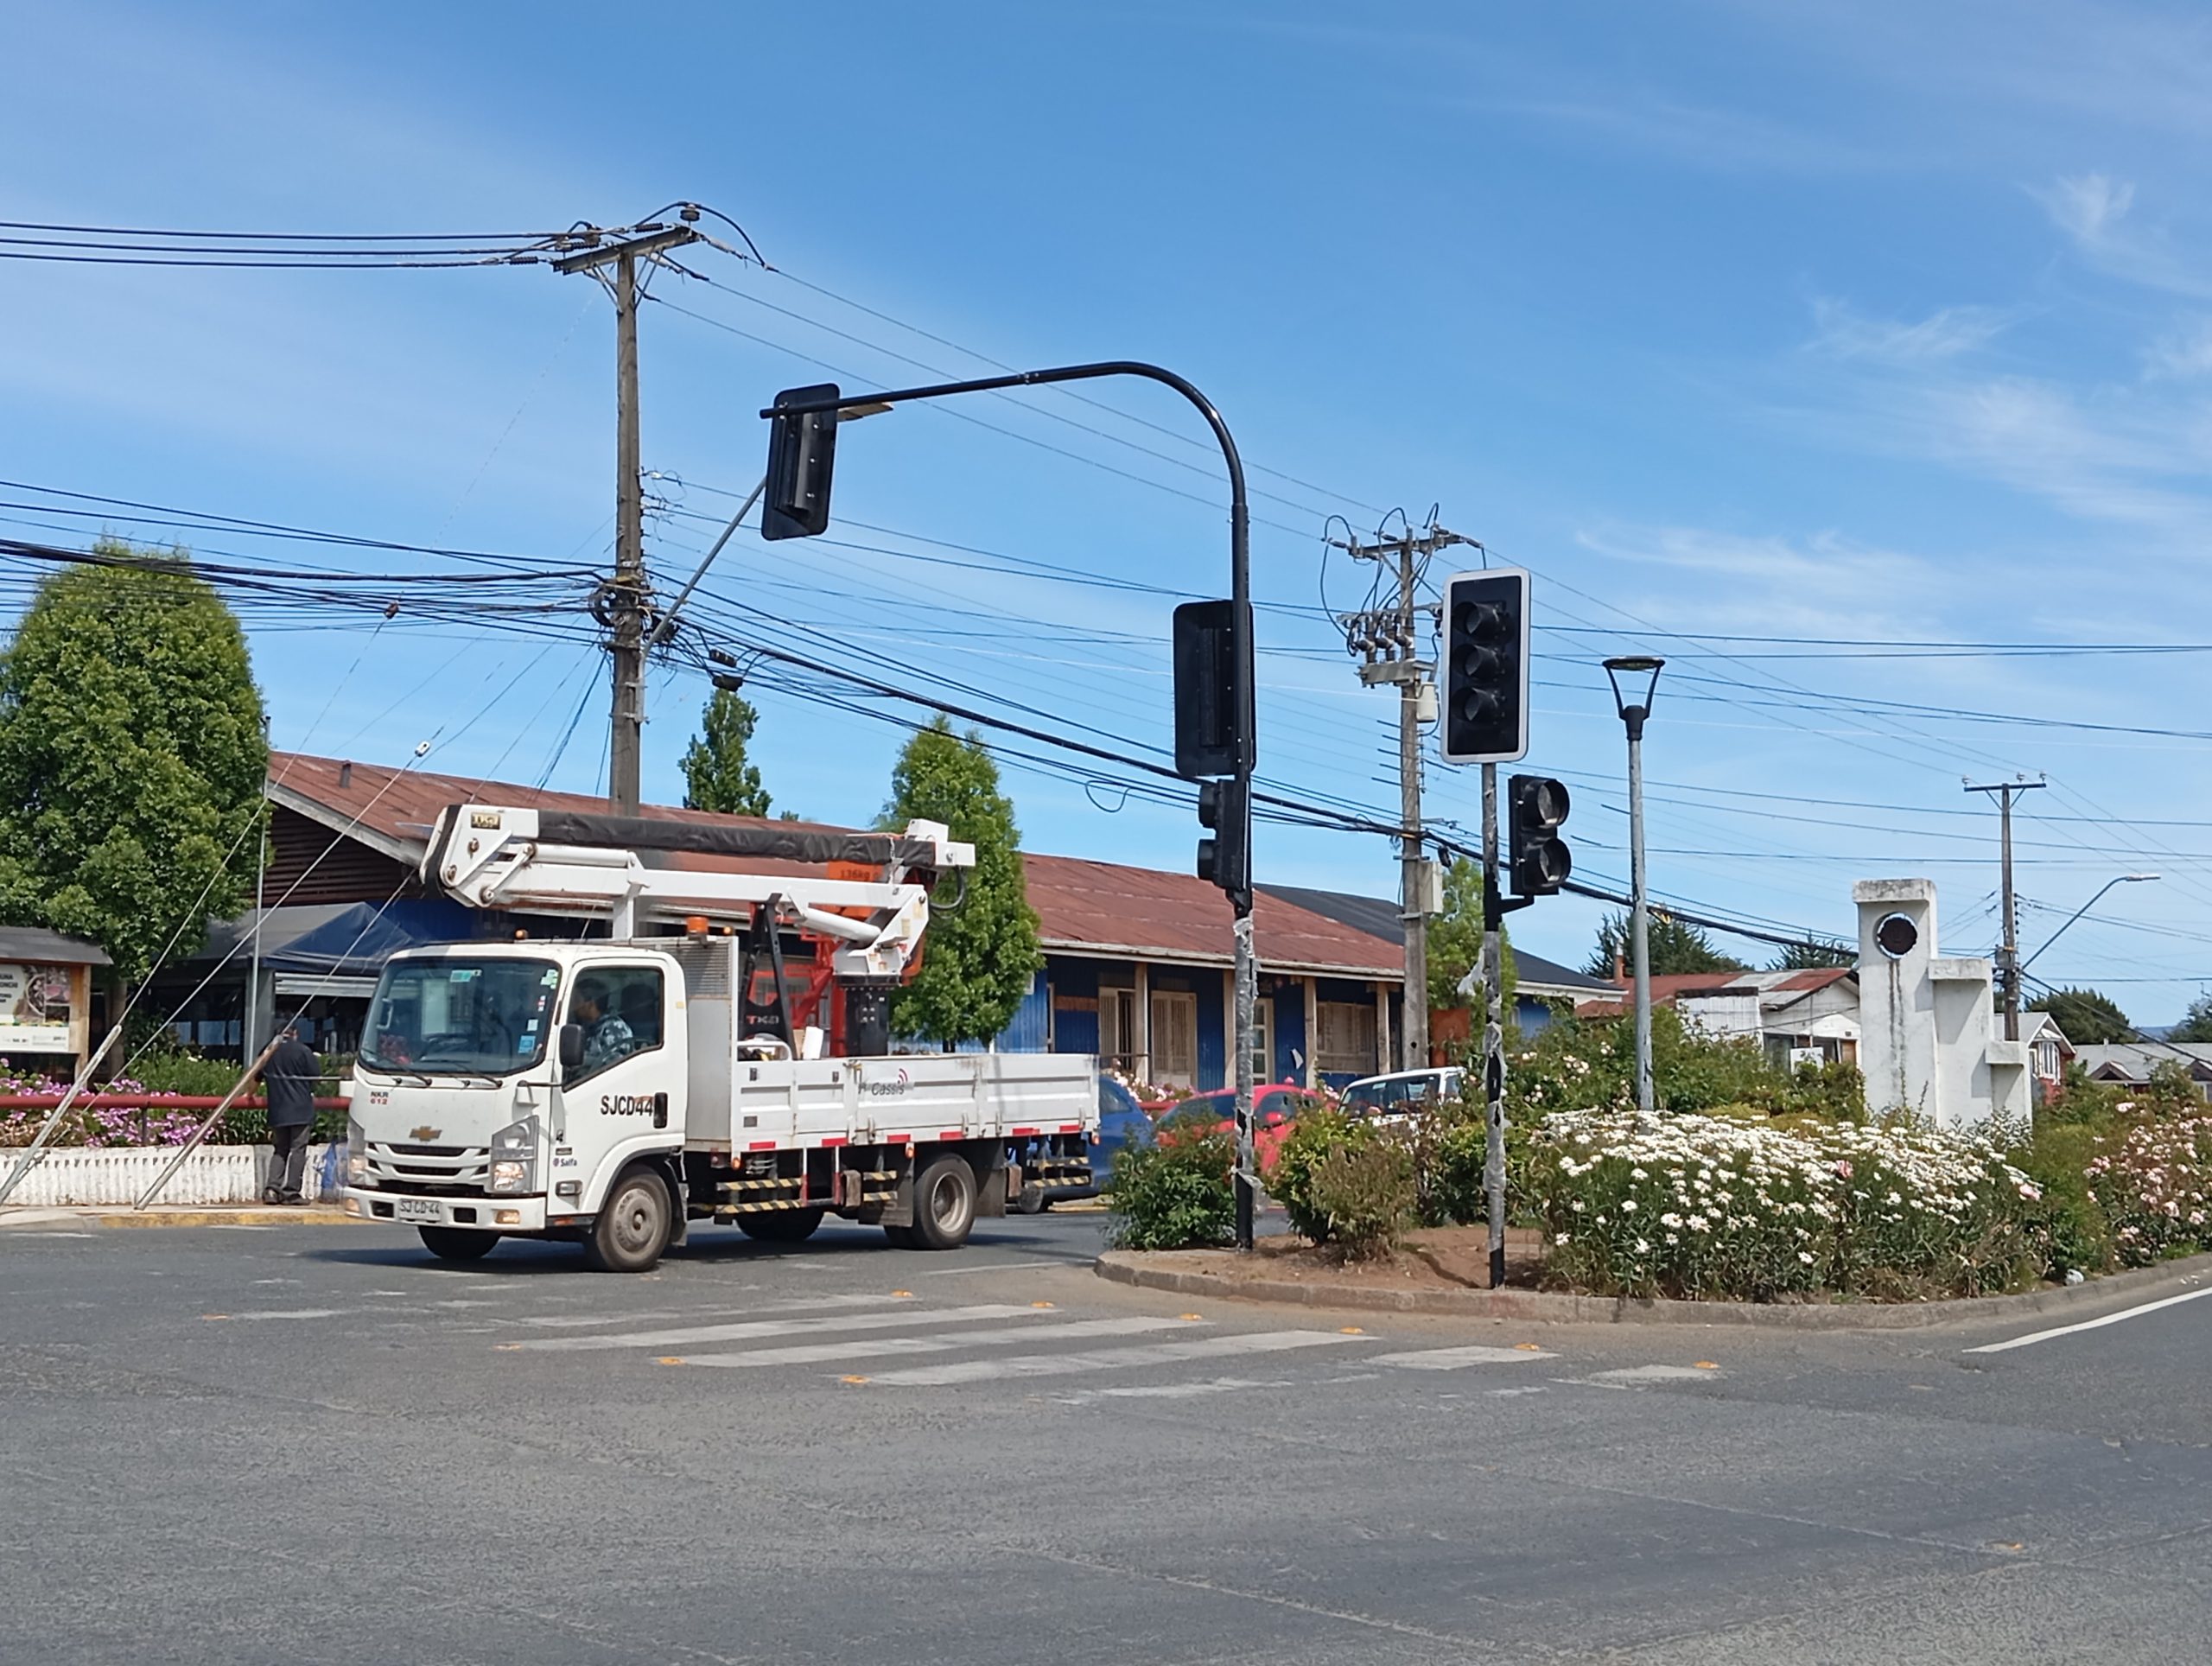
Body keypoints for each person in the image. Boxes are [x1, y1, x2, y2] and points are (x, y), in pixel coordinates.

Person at [262, 1026, 319, 1205]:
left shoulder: (268, 1051)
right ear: (295, 1033)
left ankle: (272, 1189)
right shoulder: (303, 1050)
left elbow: (255, 1076)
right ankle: (291, 1192)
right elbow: (315, 1078)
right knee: (298, 1150)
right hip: (300, 1109)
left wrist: (248, 1096)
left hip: (278, 1109)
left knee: (280, 1149)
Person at [569, 977, 634, 1077]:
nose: (573, 1006)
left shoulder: (614, 1029)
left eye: (577, 1000)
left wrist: (585, 1063)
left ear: (590, 1004)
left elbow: (616, 1068)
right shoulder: (585, 1027)